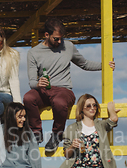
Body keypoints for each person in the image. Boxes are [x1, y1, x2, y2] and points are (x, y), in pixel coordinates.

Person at [24, 18, 115, 152]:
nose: (60, 42)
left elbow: (85, 64)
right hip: (43, 90)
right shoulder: (33, 53)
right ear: (46, 35)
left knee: (59, 102)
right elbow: (31, 82)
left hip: (63, 90)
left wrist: (105, 66)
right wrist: (38, 84)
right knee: (28, 98)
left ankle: (57, 135)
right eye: (56, 39)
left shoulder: (69, 46)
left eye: (61, 38)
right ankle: (36, 132)